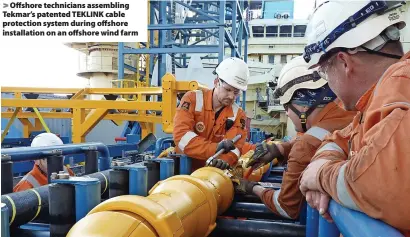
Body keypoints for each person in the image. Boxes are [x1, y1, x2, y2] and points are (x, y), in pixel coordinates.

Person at [297, 1, 410, 235]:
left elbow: (385, 186)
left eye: (323, 72)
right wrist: (323, 164)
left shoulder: (400, 89)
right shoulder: (374, 103)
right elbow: (339, 139)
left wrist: (319, 175)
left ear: (344, 62)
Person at [233, 56, 357, 219]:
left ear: (304, 105)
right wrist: (280, 149)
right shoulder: (352, 113)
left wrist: (254, 188)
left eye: (287, 107)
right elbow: (316, 140)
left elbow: (286, 207)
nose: (286, 113)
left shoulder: (306, 143)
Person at [173, 57, 250, 171]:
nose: (231, 96)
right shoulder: (192, 99)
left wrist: (224, 161)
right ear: (216, 82)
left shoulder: (238, 115)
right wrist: (215, 148)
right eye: (228, 90)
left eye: (236, 92)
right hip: (183, 168)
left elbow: (235, 148)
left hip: (213, 174)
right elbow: (181, 137)